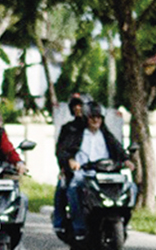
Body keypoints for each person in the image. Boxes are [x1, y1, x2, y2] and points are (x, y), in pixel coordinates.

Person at [59, 100, 129, 240]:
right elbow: (63, 151)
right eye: (92, 117)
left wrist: (126, 160)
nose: (96, 120)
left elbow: (118, 150)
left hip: (106, 173)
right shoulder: (76, 133)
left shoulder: (106, 135)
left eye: (98, 117)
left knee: (130, 187)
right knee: (73, 188)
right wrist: (71, 161)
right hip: (84, 172)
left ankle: (123, 222)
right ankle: (79, 227)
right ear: (86, 118)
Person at [52, 94, 88, 232]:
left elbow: (113, 145)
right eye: (75, 106)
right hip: (73, 169)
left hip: (97, 169)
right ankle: (60, 222)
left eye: (81, 105)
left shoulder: (98, 129)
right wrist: (67, 163)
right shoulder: (69, 128)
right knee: (63, 189)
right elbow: (61, 150)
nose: (78, 108)